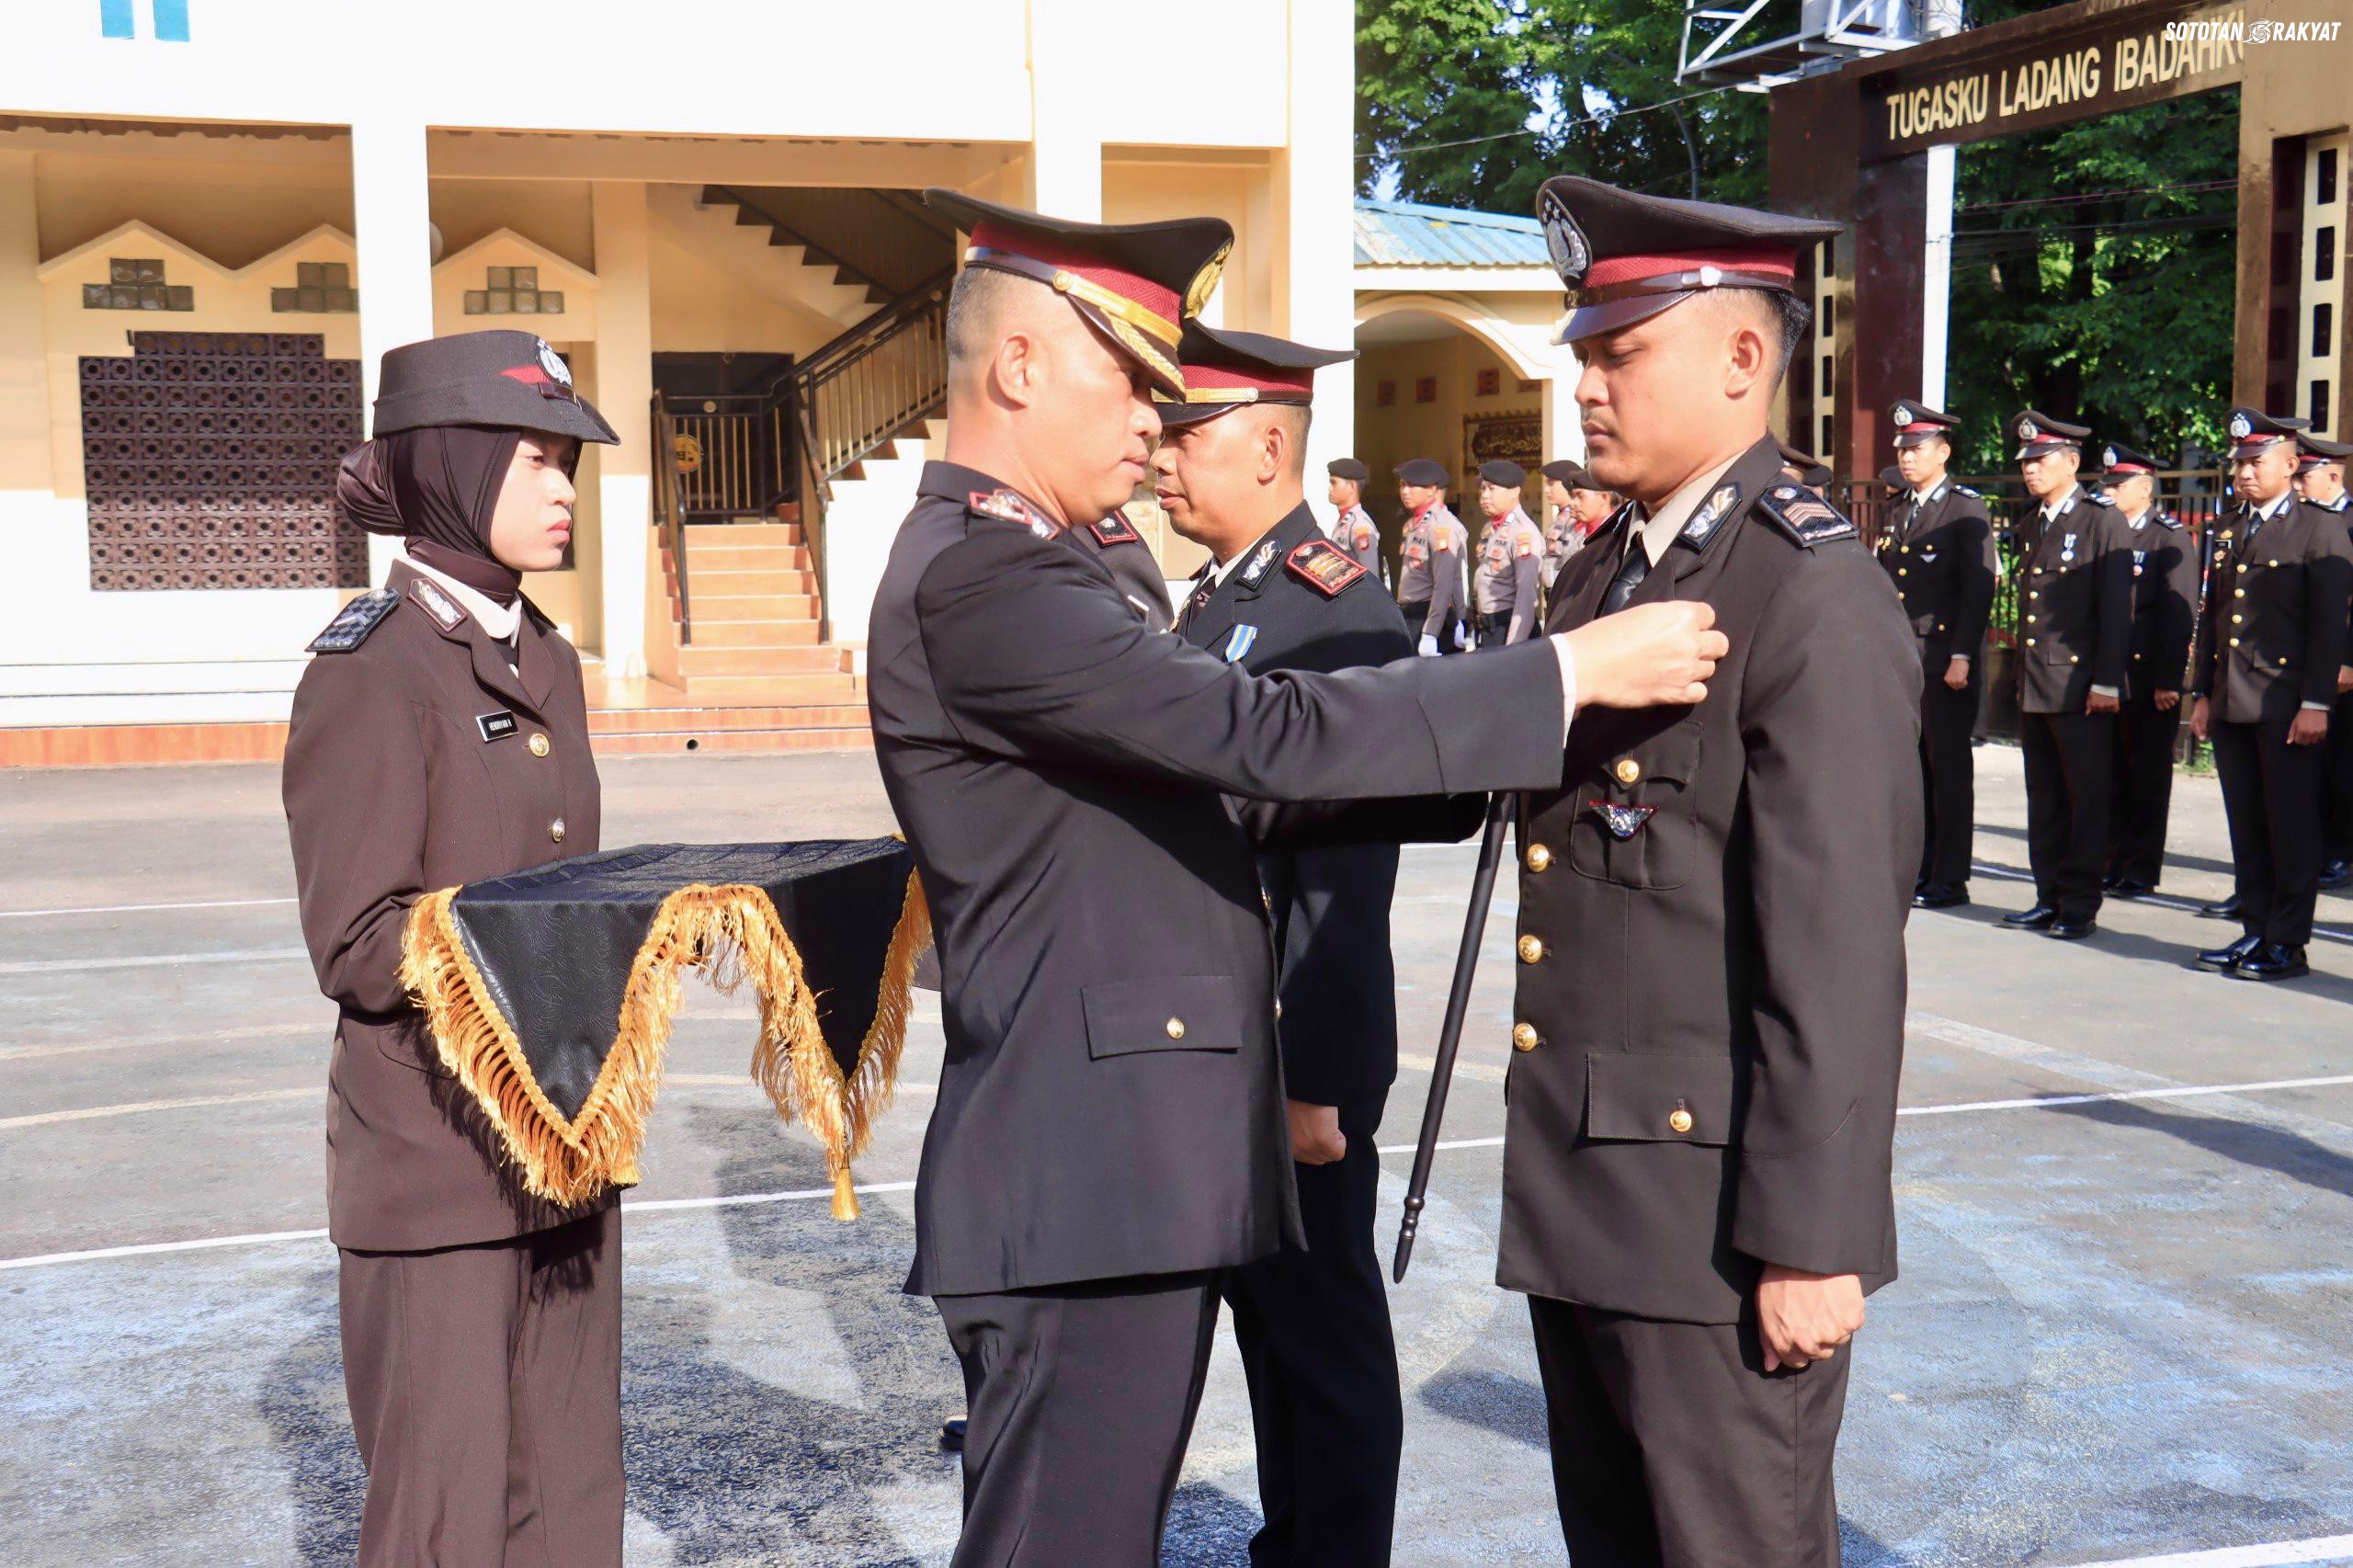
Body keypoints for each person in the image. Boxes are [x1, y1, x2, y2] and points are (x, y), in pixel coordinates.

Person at [868, 188, 1725, 1566]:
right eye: (1129, 379)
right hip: (1089, 1173)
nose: (1150, 422)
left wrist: (1483, 765)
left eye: (1170, 396)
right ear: (1021, 368)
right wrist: (1566, 673)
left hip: (1114, 1160)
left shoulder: (1040, 567)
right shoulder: (995, 579)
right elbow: (1262, 736)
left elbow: (1264, 789)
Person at [1504, 175, 1919, 1568]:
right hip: (1589, 1196)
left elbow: (1838, 945)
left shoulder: (1809, 591)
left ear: (1744, 358)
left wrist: (1816, 1237)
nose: (1587, 386)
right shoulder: (1599, 580)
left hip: (1722, 1235)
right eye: (1584, 354)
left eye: (1621, 352)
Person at [280, 330, 624, 1566]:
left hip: (562, 1142)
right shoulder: (373, 669)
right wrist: (549, 943)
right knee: (447, 1520)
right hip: (435, 1164)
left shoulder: (548, 657)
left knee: (573, 1505)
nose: (562, 489)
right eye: (535, 458)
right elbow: (359, 942)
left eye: (568, 462)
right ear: (452, 464)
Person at [1151, 320, 1412, 1567]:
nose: (1159, 455)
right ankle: (1295, 1539)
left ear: (1267, 443)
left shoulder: (1335, 610)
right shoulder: (1230, 596)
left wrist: (1315, 1076)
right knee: (1273, 1324)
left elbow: (1345, 874)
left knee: (1325, 1335)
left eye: (1183, 433)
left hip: (1290, 1042)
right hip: (1229, 1038)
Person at [2188, 408, 2353, 981]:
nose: (2245, 473)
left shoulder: (2321, 528)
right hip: (2233, 696)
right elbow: (2214, 618)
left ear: (2291, 463)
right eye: (2238, 463)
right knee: (2248, 823)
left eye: (2256, 462)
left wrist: (2316, 703)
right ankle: (2255, 930)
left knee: (2292, 827)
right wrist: (2202, 694)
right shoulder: (2227, 526)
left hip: (2286, 701)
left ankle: (2288, 942)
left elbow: (2330, 627)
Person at [2000, 410, 2131, 941]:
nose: (2030, 470)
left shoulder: (2102, 520)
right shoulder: (2033, 522)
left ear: (2072, 462)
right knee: (2045, 795)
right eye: (2026, 461)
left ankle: (2079, 903)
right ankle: (2047, 894)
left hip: (2079, 686)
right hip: (2037, 681)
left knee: (2086, 796)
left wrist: (2106, 681)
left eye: (2041, 460)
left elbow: (2116, 612)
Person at [1879, 400, 1997, 910]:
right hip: (1907, 659)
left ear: (1943, 452)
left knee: (1948, 769)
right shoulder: (1899, 509)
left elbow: (1978, 590)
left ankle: (1950, 875)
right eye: (1902, 449)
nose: (1907, 458)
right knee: (1915, 770)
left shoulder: (1965, 508)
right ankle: (1922, 868)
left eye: (1917, 449)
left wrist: (1964, 655)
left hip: (1946, 658)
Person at [2097, 443, 2197, 897]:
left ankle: (2140, 866)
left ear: (2143, 488)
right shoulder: (2108, 531)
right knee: (2112, 774)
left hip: (2146, 677)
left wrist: (2167, 681)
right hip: (2111, 677)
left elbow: (2177, 617)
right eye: (2108, 485)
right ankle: (2112, 858)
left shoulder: (2167, 536)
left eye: (2119, 486)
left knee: (2148, 776)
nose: (2111, 493)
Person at [2296, 432, 2353, 887]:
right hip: (2305, 663)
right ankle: (2313, 847)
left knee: (2342, 764)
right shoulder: (2299, 524)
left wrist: (2348, 660)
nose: (2296, 484)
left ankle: (2341, 851)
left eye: (2304, 475)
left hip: (2344, 665)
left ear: (2333, 475)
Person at [1393, 457, 1469, 653]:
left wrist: (1431, 632)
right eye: (1402, 485)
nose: (1405, 491)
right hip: (1412, 616)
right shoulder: (1417, 524)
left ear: (1431, 490)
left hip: (1428, 616)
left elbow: (1445, 583)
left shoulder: (1440, 526)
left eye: (1412, 486)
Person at [1471, 459, 1545, 647]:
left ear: (1514, 492)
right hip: (1489, 630)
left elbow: (1526, 597)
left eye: (1491, 489)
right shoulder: (1490, 528)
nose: (1484, 495)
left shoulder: (1522, 533)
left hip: (1509, 629)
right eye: (1482, 489)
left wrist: (1514, 647)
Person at [1540, 459, 1615, 589]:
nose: (1573, 503)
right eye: (1573, 496)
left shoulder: (1618, 533)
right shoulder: (1578, 532)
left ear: (1604, 498)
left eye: (1580, 496)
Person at [1324, 456, 1385, 582]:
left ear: (1352, 486)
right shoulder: (1344, 521)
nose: (1330, 488)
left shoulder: (1360, 525)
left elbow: (1370, 576)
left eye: (1334, 483)